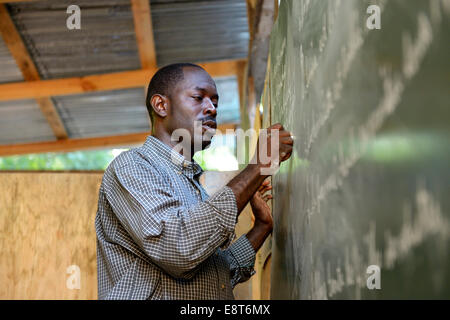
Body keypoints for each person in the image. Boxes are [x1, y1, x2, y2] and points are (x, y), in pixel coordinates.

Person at [95, 63, 294, 299]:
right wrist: (258, 167)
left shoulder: (195, 186)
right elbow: (180, 248)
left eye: (215, 103)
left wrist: (262, 227)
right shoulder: (132, 166)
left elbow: (213, 278)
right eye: (199, 97)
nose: (211, 109)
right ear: (161, 105)